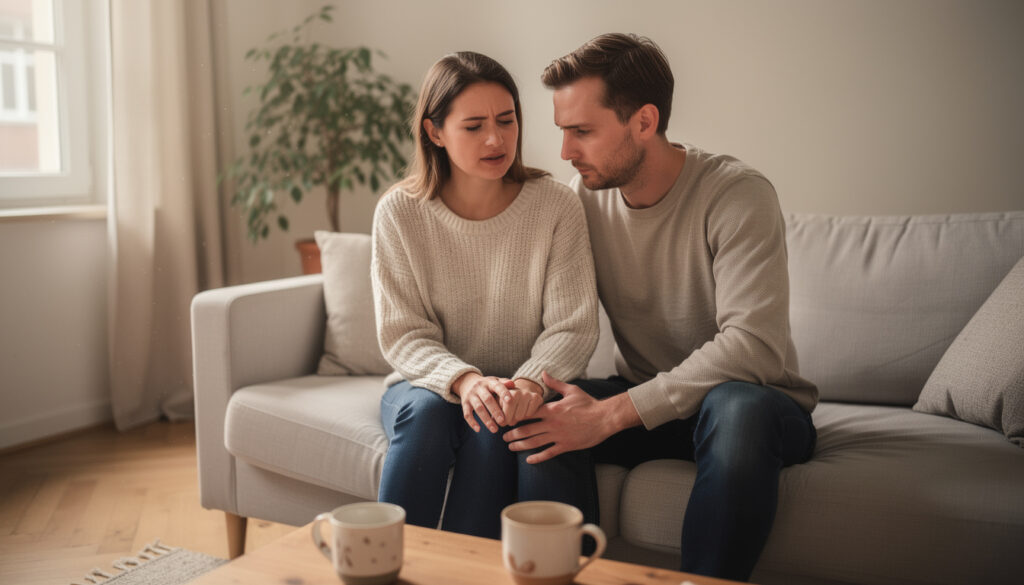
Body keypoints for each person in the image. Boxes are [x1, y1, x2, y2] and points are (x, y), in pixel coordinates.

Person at [502, 33, 819, 581]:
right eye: (562, 131)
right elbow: (554, 317)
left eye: (582, 131)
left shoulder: (737, 194)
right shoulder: (584, 199)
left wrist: (610, 415)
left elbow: (753, 347)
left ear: (644, 121)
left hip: (755, 407)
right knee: (541, 411)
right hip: (649, 399)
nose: (566, 151)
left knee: (735, 408)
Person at [371, 51, 599, 540]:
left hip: (518, 389)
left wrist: (527, 385)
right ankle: (384, 557)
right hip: (427, 387)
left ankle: (466, 568)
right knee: (430, 414)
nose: (496, 139)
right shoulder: (399, 213)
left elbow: (572, 326)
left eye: (506, 120)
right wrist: (466, 381)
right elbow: (403, 334)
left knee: (494, 424)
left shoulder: (555, 205)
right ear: (434, 132)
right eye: (474, 126)